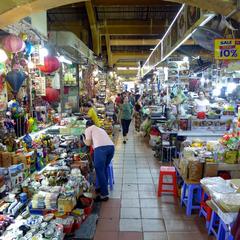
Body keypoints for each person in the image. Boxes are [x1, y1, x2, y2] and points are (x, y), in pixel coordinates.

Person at [83, 120, 114, 201]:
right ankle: (102, 187)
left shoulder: (88, 129)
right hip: (111, 148)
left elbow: (88, 143)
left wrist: (83, 139)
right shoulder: (100, 129)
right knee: (103, 169)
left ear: (86, 126)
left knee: (100, 171)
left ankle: (104, 195)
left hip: (101, 150)